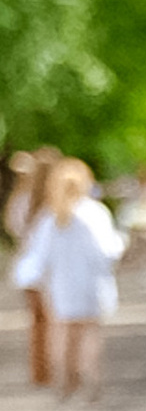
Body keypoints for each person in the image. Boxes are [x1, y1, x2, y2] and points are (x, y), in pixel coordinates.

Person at [16, 158, 123, 394]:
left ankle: (65, 380)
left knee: (63, 334)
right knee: (89, 334)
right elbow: (108, 250)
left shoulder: (51, 217)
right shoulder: (95, 213)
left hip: (60, 286)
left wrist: (29, 278)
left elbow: (38, 256)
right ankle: (93, 379)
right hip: (91, 285)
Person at [7, 146, 62, 384]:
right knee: (58, 321)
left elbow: (12, 226)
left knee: (37, 323)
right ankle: (61, 366)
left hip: (29, 269)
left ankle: (40, 370)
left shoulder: (22, 200)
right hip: (55, 269)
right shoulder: (59, 203)